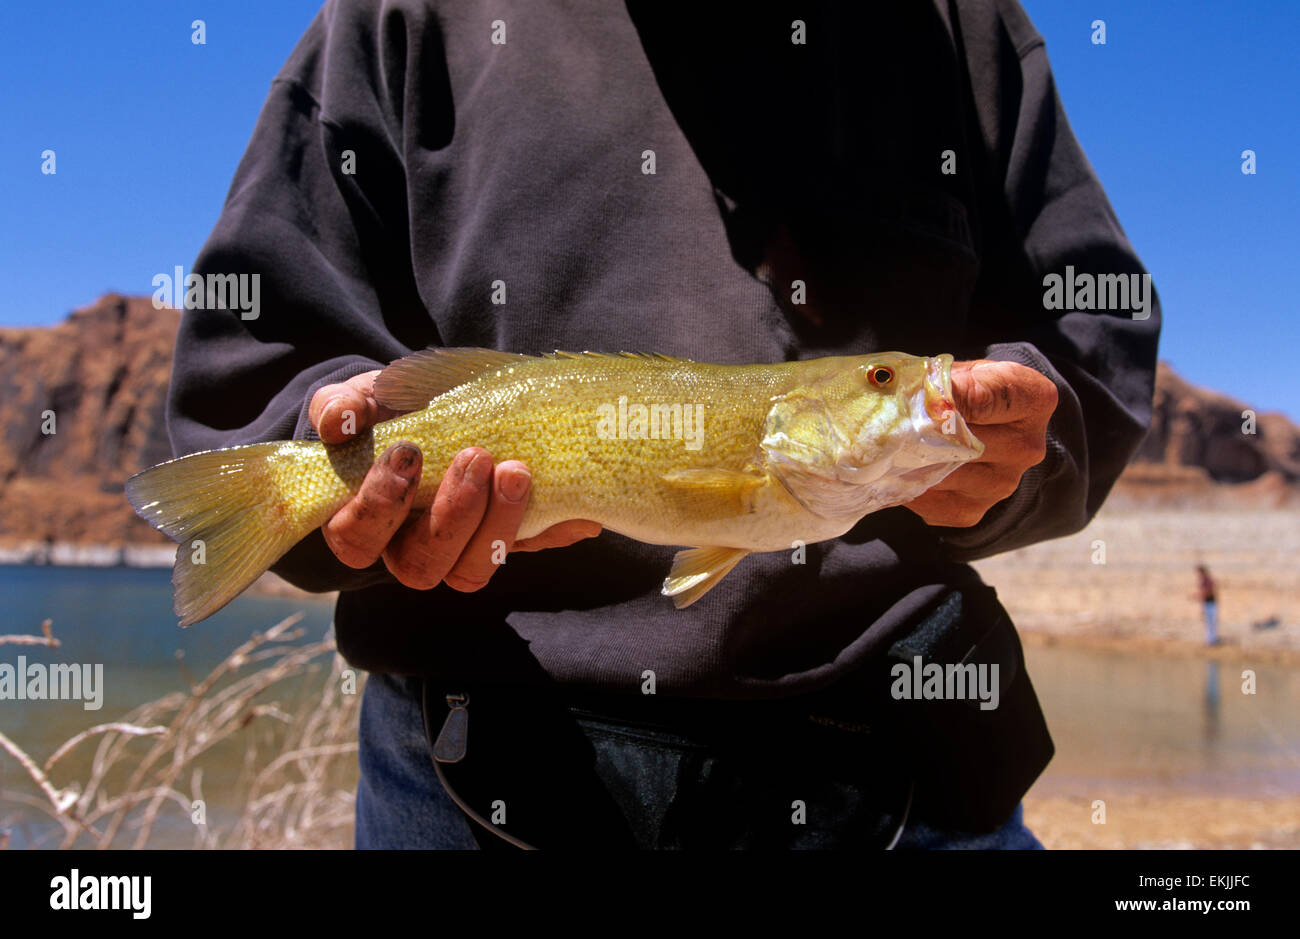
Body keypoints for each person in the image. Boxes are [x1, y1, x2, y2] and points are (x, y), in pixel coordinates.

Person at [166, 0, 1160, 849]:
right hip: (469, 778)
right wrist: (334, 445)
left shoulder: (960, 23)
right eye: (882, 379)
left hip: (914, 778)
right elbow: (260, 354)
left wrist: (1026, 437)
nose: (913, 388)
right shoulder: (399, 16)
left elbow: (1088, 331)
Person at [1197, 565, 1219, 646]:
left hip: (1211, 603)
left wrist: (1201, 595)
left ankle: (1212, 640)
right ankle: (1210, 640)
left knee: (1212, 622)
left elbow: (1209, 592)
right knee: (1208, 622)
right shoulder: (1204, 581)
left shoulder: (1207, 580)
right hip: (1208, 603)